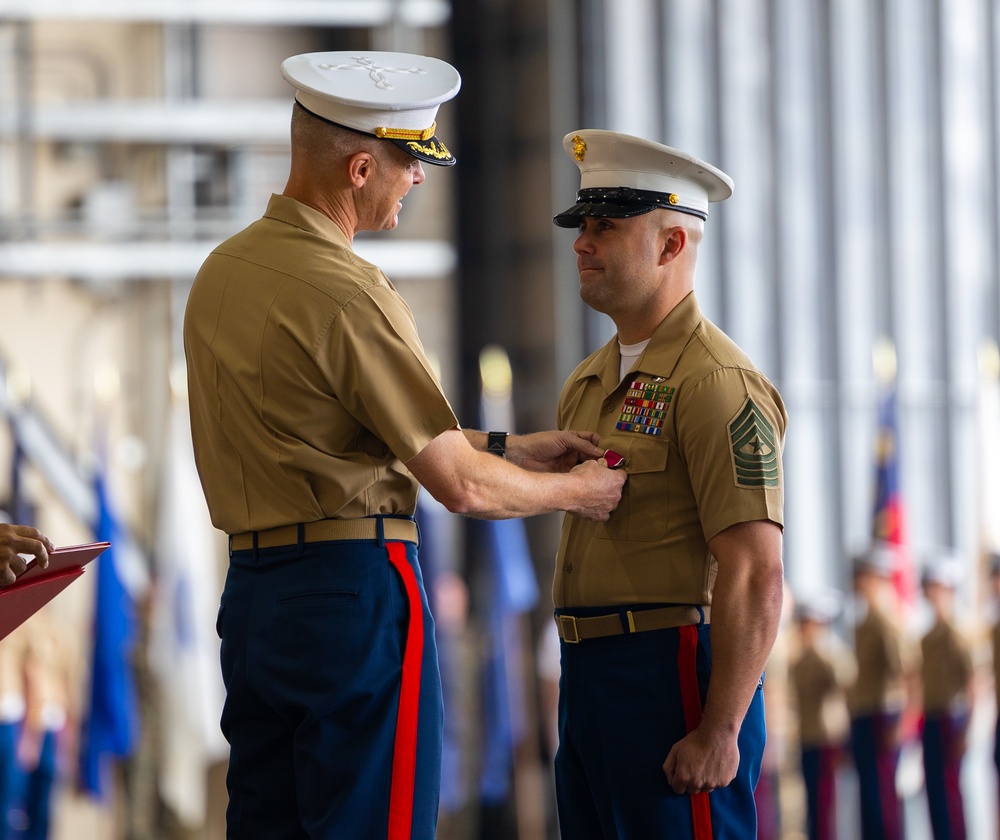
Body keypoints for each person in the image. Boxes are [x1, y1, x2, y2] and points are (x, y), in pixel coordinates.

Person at [182, 51, 625, 840]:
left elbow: (329, 424)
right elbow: (461, 487)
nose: (419, 179)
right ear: (359, 168)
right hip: (352, 592)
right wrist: (576, 493)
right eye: (410, 161)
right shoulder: (348, 289)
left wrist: (511, 445)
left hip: (255, 595)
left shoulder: (223, 272)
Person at [548, 129, 787, 839]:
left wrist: (722, 728)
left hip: (673, 673)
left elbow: (754, 570)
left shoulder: (717, 383)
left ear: (672, 245)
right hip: (590, 672)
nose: (580, 244)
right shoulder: (589, 382)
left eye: (605, 227)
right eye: (582, 226)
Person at [847, 545, 909, 840]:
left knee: (883, 797)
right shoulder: (865, 622)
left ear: (874, 577)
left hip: (883, 715)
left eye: (860, 576)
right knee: (869, 796)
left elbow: (905, 673)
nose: (855, 582)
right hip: (865, 713)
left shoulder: (887, 619)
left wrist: (900, 724)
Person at [789, 590, 855, 840]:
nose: (803, 630)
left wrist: (847, 742)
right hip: (808, 736)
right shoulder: (800, 661)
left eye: (808, 624)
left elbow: (849, 695)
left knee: (827, 805)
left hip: (828, 738)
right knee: (813, 805)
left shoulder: (832, 658)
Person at [918, 553, 973, 840]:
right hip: (932, 717)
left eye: (936, 586)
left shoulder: (958, 632)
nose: (930, 593)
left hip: (953, 718)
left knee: (951, 794)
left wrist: (968, 730)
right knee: (935, 793)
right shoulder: (928, 637)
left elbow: (975, 682)